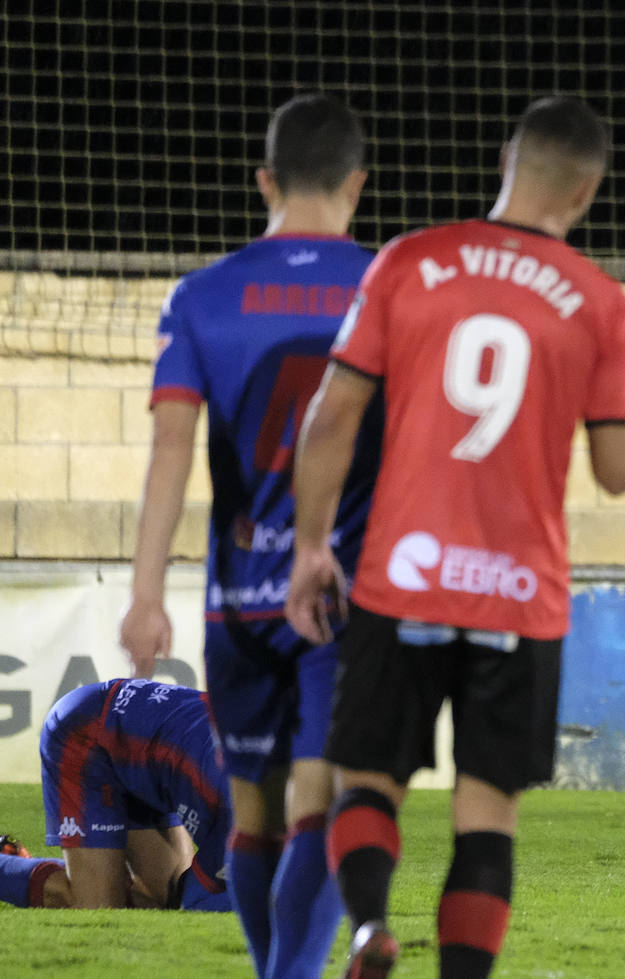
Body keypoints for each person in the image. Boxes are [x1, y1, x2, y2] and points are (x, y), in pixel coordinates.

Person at [284, 95, 625, 978]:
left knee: (369, 781)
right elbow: (620, 470)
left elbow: (332, 417)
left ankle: (366, 927)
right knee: (486, 813)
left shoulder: (409, 261)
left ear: (508, 159)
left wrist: (312, 544)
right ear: (586, 191)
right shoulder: (596, 301)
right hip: (519, 592)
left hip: (404, 574)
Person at [118, 93, 381, 975]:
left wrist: (145, 595)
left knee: (254, 813)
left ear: (264, 180)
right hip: (345, 591)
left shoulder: (202, 297)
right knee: (325, 804)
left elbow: (169, 449)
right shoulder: (387, 287)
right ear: (358, 184)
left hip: (236, 598)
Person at [0, 679, 231, 911]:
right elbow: (198, 903)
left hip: (146, 748)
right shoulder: (244, 815)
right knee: (96, 904)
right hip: (87, 733)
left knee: (163, 899)